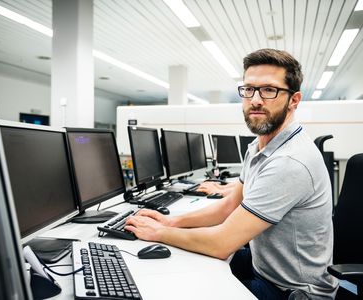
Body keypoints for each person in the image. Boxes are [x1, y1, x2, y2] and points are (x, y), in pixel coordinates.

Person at [125, 48, 338, 299]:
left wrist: (158, 233)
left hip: (292, 292)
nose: (256, 99)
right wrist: (171, 222)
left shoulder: (290, 161)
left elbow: (221, 243)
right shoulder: (258, 146)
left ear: (294, 100)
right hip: (266, 268)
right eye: (249, 89)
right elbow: (228, 207)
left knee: (185, 288)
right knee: (187, 263)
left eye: (269, 90)